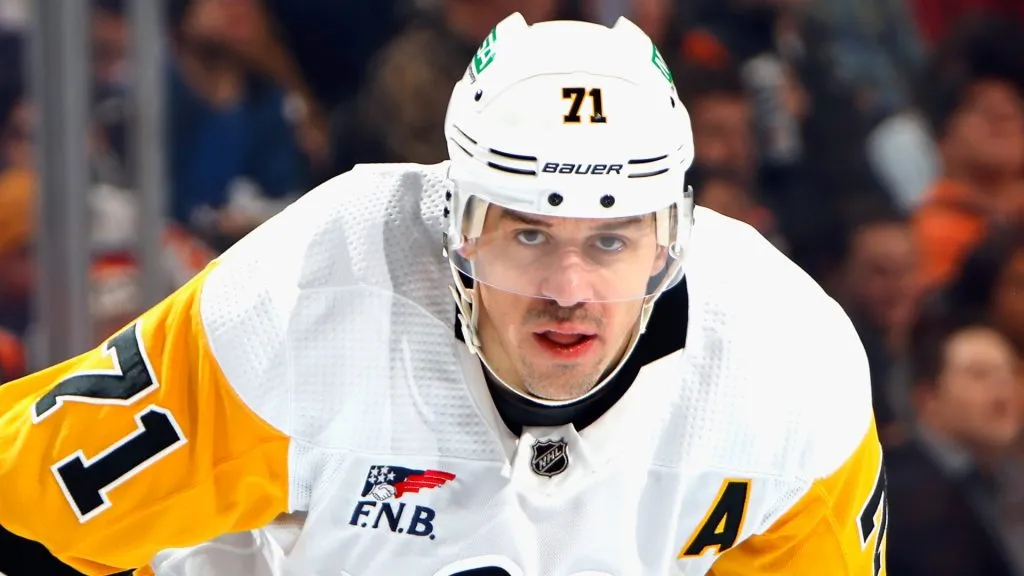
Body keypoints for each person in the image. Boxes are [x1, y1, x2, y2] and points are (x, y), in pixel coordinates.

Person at [0, 14, 885, 576]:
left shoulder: (789, 365)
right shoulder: (306, 298)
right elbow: (25, 514)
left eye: (610, 241)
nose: (568, 291)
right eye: (528, 235)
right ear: (457, 224)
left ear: (673, 241)